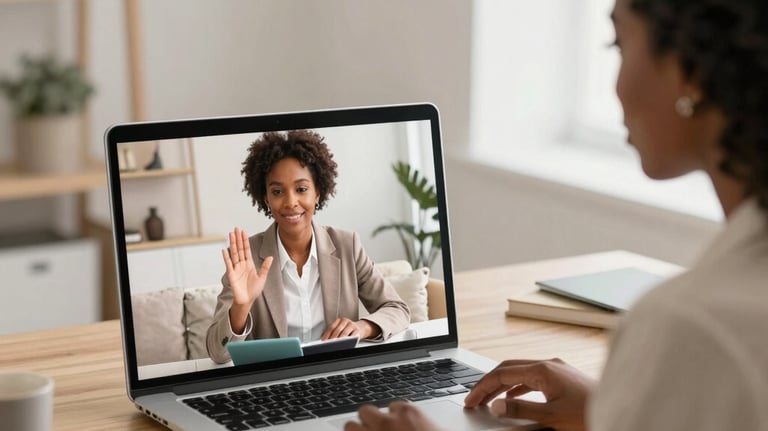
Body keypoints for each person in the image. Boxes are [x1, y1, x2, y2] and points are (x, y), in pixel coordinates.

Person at [344, 0, 768, 429]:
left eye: (618, 44)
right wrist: (614, 411)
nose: (615, 87)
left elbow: (392, 308)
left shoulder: (695, 327)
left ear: (689, 68)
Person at [206, 130, 410, 364]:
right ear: (266, 199)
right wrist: (240, 308)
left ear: (317, 193)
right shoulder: (246, 257)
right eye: (277, 191)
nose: (291, 202)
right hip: (273, 383)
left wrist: (363, 327)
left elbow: (397, 309)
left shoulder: (347, 245)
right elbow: (216, 352)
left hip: (337, 373)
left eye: (301, 189)